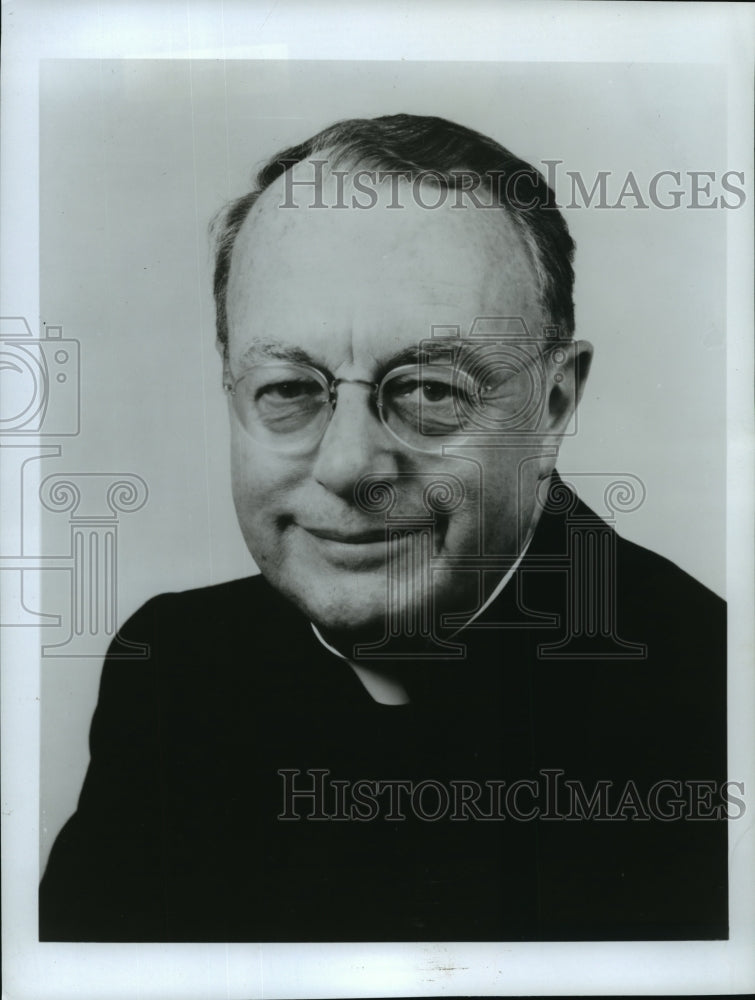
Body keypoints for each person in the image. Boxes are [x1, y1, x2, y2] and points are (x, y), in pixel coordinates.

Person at [39, 114, 727, 943]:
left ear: (552, 407)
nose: (349, 466)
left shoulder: (716, 701)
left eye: (432, 391)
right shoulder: (173, 669)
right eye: (290, 387)